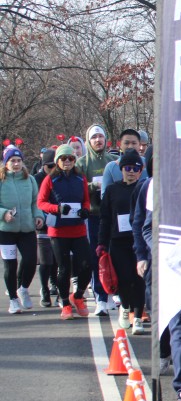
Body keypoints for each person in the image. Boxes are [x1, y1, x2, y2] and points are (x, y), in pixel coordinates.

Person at [36, 144, 92, 319]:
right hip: (59, 232)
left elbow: (86, 200)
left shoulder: (80, 178)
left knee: (87, 265)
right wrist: (57, 209)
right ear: (57, 161)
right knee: (64, 269)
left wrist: (85, 210)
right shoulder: (50, 180)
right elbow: (41, 202)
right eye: (63, 158)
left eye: (71, 158)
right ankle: (66, 304)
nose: (67, 161)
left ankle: (78, 296)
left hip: (78, 229)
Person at [97, 149, 146, 335]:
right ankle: (125, 308)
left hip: (139, 241)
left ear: (140, 170)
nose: (131, 172)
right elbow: (105, 218)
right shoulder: (112, 190)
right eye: (127, 168)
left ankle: (138, 317)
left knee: (139, 278)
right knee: (124, 279)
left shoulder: (144, 188)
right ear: (121, 169)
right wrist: (102, 243)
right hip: (118, 241)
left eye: (135, 168)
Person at [76, 124, 114, 315]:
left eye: (100, 137)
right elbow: (78, 188)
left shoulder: (113, 161)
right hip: (93, 216)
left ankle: (113, 292)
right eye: (94, 137)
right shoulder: (82, 163)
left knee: (114, 254)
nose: (98, 140)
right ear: (88, 141)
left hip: (113, 216)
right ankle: (100, 297)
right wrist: (93, 185)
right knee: (96, 256)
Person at [0, 146, 43, 313]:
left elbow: (35, 202)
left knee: (31, 260)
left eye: (19, 161)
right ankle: (13, 299)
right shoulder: (2, 180)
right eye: (12, 161)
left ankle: (23, 288)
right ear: (6, 163)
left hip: (26, 229)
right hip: (6, 231)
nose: (16, 164)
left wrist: (38, 216)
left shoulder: (29, 179)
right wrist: (4, 213)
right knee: (10, 265)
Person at [32, 148, 58, 307]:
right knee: (45, 260)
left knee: (56, 259)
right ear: (43, 166)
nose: (52, 169)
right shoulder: (37, 179)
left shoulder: (59, 177)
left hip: (57, 222)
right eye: (49, 166)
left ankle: (54, 284)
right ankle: (44, 289)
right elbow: (35, 201)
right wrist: (40, 216)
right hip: (42, 223)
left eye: (55, 166)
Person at [101, 129, 147, 194]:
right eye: (126, 143)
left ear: (139, 145)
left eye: (134, 143)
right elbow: (104, 195)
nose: (130, 146)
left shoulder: (148, 164)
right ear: (120, 145)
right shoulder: (111, 167)